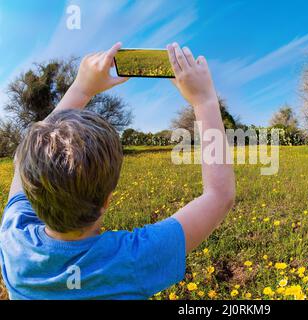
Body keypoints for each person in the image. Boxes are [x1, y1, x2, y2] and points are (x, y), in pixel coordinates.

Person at [0, 42, 235, 299]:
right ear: (108, 199)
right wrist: (205, 101)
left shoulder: (14, 242)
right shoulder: (129, 261)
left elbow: (21, 160)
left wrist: (81, 88)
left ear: (31, 189)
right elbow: (220, 195)